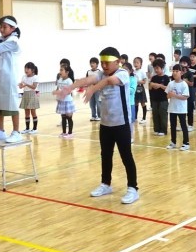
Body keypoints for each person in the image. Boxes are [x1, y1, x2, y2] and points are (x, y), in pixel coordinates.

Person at [55, 46, 139, 204]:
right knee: (105, 155)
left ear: (117, 62)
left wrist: (93, 89)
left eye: (107, 63)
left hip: (122, 123)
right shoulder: (100, 73)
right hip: (106, 124)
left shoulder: (123, 74)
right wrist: (69, 88)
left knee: (126, 156)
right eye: (102, 63)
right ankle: (106, 184)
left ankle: (133, 188)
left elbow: (109, 81)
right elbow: (86, 80)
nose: (104, 66)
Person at [166, 64, 190, 151]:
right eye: (173, 71)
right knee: (173, 126)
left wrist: (175, 95)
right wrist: (170, 95)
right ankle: (173, 142)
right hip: (172, 108)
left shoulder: (184, 84)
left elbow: (185, 97)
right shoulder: (170, 83)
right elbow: (167, 96)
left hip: (181, 109)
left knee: (183, 125)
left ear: (181, 72)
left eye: (177, 71)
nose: (175, 73)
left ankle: (186, 143)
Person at [149, 58, 170, 136]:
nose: (156, 70)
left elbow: (168, 88)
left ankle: (163, 130)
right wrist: (152, 84)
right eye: (155, 68)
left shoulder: (166, 78)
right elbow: (150, 87)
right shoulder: (154, 78)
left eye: (157, 68)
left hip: (163, 100)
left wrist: (160, 86)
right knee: (155, 114)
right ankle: (156, 129)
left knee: (163, 115)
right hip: (154, 99)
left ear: (162, 68)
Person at [55, 63, 75, 138]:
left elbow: (69, 91)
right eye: (60, 70)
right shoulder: (59, 80)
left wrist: (63, 92)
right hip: (61, 101)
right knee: (63, 117)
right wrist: (58, 96)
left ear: (67, 72)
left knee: (69, 117)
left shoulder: (69, 81)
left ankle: (70, 133)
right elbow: (58, 88)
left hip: (67, 101)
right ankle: (63, 132)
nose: (60, 71)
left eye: (62, 70)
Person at [19, 62, 39, 134]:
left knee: (33, 112)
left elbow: (34, 87)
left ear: (32, 70)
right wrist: (20, 85)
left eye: (28, 68)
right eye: (25, 68)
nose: (26, 70)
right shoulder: (24, 77)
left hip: (32, 94)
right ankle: (27, 128)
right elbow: (21, 86)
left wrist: (26, 84)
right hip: (25, 94)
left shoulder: (35, 77)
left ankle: (35, 128)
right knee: (26, 112)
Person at [180, 56, 196, 132]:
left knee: (189, 110)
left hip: (189, 93)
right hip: (181, 94)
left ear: (188, 64)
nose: (183, 64)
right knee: (181, 110)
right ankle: (182, 124)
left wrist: (185, 81)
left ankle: (190, 124)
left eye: (184, 63)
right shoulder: (179, 73)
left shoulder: (190, 73)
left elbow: (191, 84)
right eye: (181, 63)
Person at [122, 62, 137, 142]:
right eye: (122, 69)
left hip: (130, 103)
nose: (124, 71)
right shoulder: (120, 79)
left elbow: (132, 91)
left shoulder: (133, 79)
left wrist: (123, 88)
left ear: (130, 71)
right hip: (121, 103)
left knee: (130, 121)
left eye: (126, 70)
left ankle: (130, 136)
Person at [133, 56, 148, 125]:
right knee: (135, 103)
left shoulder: (142, 72)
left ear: (141, 64)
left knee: (142, 103)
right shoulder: (133, 72)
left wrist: (138, 81)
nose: (135, 64)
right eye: (134, 62)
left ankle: (144, 118)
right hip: (135, 88)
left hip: (140, 88)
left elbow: (144, 81)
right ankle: (135, 117)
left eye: (137, 62)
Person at [87, 57, 102, 121]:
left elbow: (101, 81)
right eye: (91, 63)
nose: (92, 64)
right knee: (92, 104)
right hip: (90, 90)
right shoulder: (88, 72)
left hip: (97, 90)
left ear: (97, 64)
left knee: (98, 103)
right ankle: (93, 116)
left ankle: (100, 116)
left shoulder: (99, 72)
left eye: (93, 63)